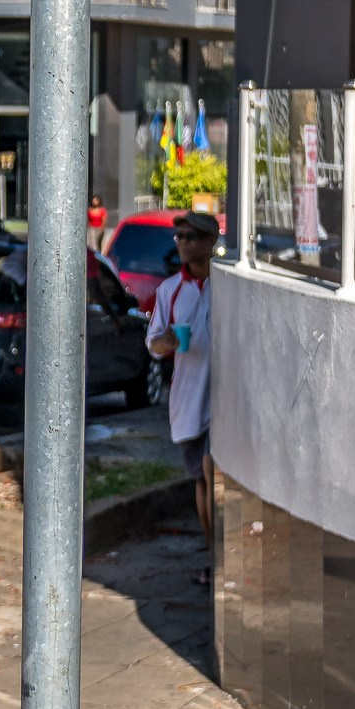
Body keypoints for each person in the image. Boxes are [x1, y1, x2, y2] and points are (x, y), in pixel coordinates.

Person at [148, 209, 217, 548]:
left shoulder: (228, 285)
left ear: (210, 242)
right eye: (179, 237)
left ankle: (216, 563)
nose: (183, 243)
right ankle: (211, 558)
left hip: (224, 400)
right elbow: (154, 343)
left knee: (210, 472)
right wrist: (169, 343)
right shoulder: (170, 291)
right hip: (188, 400)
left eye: (191, 237)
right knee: (203, 482)